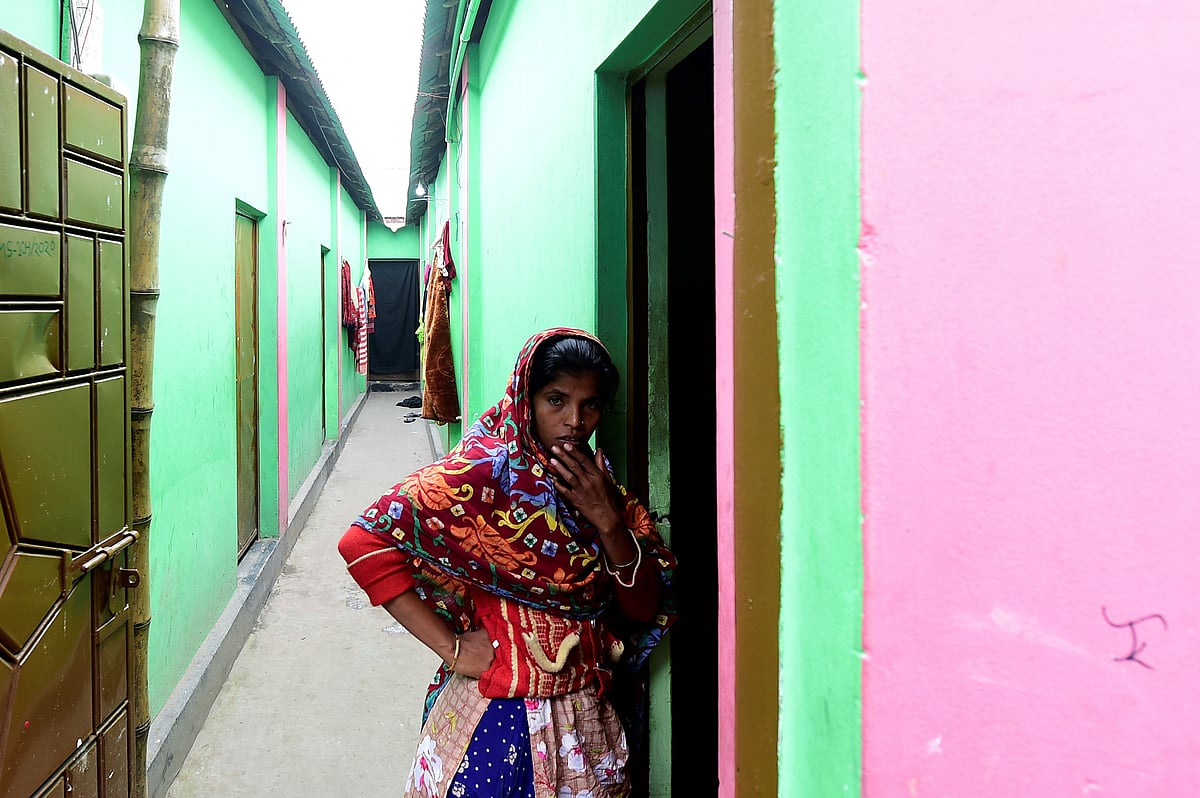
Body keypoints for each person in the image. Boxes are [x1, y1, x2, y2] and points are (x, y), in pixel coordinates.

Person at [339, 328, 677, 798]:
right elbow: (363, 542)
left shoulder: (603, 491)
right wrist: (452, 648)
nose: (574, 421)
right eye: (556, 400)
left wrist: (609, 524)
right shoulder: (479, 476)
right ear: (526, 399)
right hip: (492, 723)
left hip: (583, 725)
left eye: (590, 405)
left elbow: (642, 610)